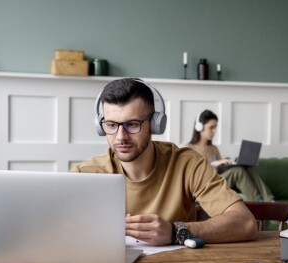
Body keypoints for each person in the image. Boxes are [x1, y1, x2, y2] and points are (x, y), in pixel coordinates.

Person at [70, 78, 256, 246]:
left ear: (155, 124)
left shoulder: (187, 164)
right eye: (111, 125)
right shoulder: (83, 174)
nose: (121, 137)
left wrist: (177, 231)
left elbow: (245, 223)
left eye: (132, 124)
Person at [185, 110, 273, 202]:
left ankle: (269, 200)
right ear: (199, 127)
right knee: (238, 172)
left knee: (248, 167)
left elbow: (221, 170)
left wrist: (230, 163)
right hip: (205, 184)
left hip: (219, 179)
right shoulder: (188, 148)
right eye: (211, 127)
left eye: (215, 127)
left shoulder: (214, 148)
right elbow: (190, 174)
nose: (214, 131)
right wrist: (214, 163)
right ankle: (261, 202)